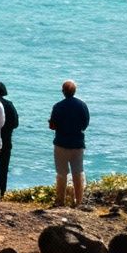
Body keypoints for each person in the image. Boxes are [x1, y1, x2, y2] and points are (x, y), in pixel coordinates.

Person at [48, 79, 91, 208]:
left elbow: (53, 126)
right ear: (74, 91)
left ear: (63, 92)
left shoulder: (58, 106)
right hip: (77, 144)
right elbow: (85, 125)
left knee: (62, 174)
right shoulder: (82, 105)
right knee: (78, 173)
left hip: (61, 143)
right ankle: (78, 202)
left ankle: (60, 201)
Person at [0, 81, 20, 199]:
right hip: (6, 140)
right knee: (3, 169)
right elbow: (15, 124)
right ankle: (2, 193)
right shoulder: (9, 105)